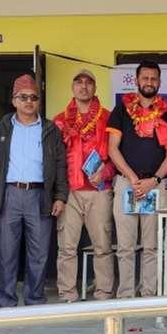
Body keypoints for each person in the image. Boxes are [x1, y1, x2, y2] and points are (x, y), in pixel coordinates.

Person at [0, 74, 68, 307]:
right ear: (14, 100)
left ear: (39, 102)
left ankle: (35, 300)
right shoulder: (1, 127)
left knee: (39, 253)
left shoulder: (50, 129)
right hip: (9, 194)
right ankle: (7, 302)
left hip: (40, 195)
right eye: (23, 97)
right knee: (7, 252)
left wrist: (60, 196)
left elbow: (61, 164)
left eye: (33, 97)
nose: (28, 102)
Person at [107, 61, 167, 298]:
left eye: (153, 78)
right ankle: (126, 297)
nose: (149, 82)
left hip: (154, 186)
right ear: (136, 80)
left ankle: (148, 295)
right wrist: (132, 178)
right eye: (145, 78)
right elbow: (112, 148)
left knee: (152, 246)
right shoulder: (121, 110)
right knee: (125, 247)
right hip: (126, 184)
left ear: (159, 82)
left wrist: (153, 180)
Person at [53, 69, 116, 302]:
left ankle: (104, 294)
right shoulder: (59, 120)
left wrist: (105, 172)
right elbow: (53, 159)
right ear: (72, 88)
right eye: (78, 82)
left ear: (95, 88)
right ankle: (67, 295)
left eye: (89, 82)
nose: (84, 86)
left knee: (102, 246)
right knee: (67, 248)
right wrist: (57, 193)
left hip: (100, 191)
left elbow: (117, 155)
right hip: (69, 191)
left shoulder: (108, 117)